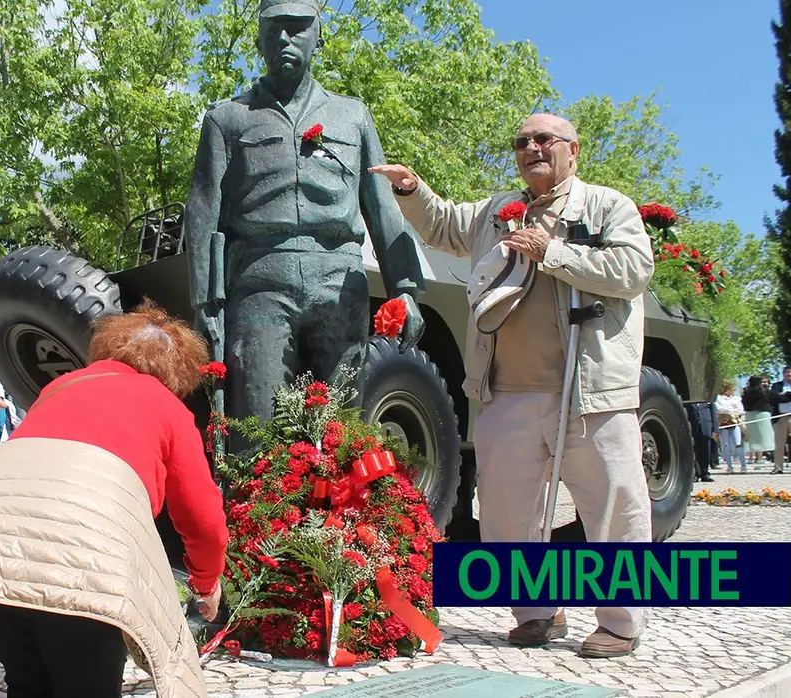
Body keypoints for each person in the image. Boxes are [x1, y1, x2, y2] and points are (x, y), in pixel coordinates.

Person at [372, 113, 654, 658]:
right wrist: (411, 188)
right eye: (522, 142)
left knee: (614, 508)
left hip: (590, 391)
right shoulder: (497, 211)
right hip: (508, 392)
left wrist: (551, 253)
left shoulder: (606, 205)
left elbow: (632, 270)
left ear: (573, 149)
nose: (532, 148)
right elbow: (442, 224)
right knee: (506, 512)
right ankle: (537, 613)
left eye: (544, 139)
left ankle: (621, 623)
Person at [0, 301, 227, 698]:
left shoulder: (59, 387)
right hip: (84, 569)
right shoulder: (168, 407)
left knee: (29, 683)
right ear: (179, 372)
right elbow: (203, 520)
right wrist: (205, 582)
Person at [182, 0, 426, 455]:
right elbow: (203, 214)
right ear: (257, 40)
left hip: (339, 281)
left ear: (319, 36)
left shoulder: (352, 116)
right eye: (273, 30)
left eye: (297, 28)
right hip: (260, 282)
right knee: (254, 430)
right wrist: (205, 303)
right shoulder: (227, 118)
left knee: (341, 434)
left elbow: (380, 205)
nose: (284, 39)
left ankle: (337, 527)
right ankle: (258, 524)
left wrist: (405, 288)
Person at [742, 376, 774, 467]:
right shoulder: (764, 391)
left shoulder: (746, 391)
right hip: (762, 414)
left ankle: (751, 458)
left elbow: (743, 402)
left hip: (750, 414)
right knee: (761, 437)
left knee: (751, 436)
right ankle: (759, 459)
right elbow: (775, 398)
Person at [715, 381, 745, 474]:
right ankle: (729, 466)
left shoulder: (737, 398)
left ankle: (743, 465)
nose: (734, 390)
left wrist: (729, 409)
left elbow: (740, 410)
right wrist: (731, 409)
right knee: (726, 445)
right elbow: (719, 409)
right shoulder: (719, 398)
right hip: (723, 424)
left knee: (738, 444)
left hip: (734, 423)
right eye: (732, 388)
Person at [770, 366, 791, 474]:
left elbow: (783, 397)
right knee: (779, 444)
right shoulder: (776, 386)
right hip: (781, 417)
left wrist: (786, 394)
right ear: (783, 374)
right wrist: (784, 397)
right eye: (787, 372)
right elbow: (775, 398)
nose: (789, 374)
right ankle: (778, 467)